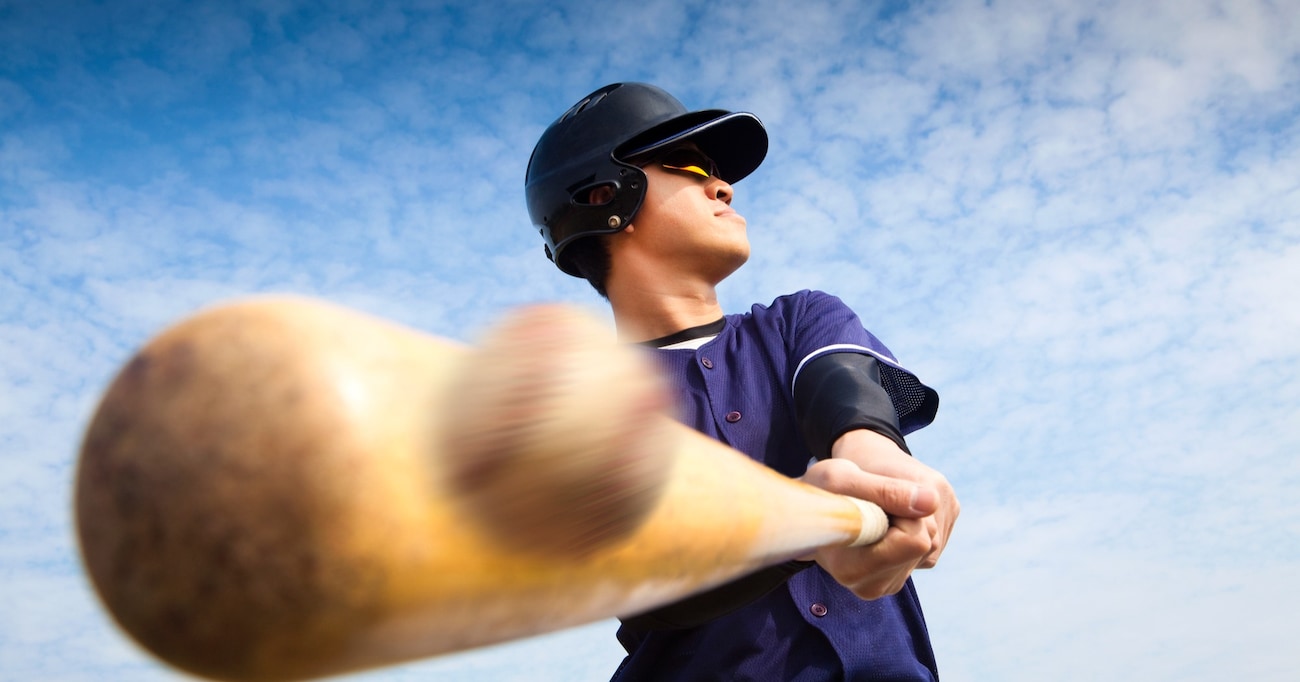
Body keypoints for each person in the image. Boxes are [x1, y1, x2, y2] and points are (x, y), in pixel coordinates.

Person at [524, 82, 959, 681]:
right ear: (604, 197)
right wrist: (797, 526)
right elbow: (639, 572)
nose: (723, 184)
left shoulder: (798, 319)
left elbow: (845, 391)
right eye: (690, 165)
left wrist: (878, 462)